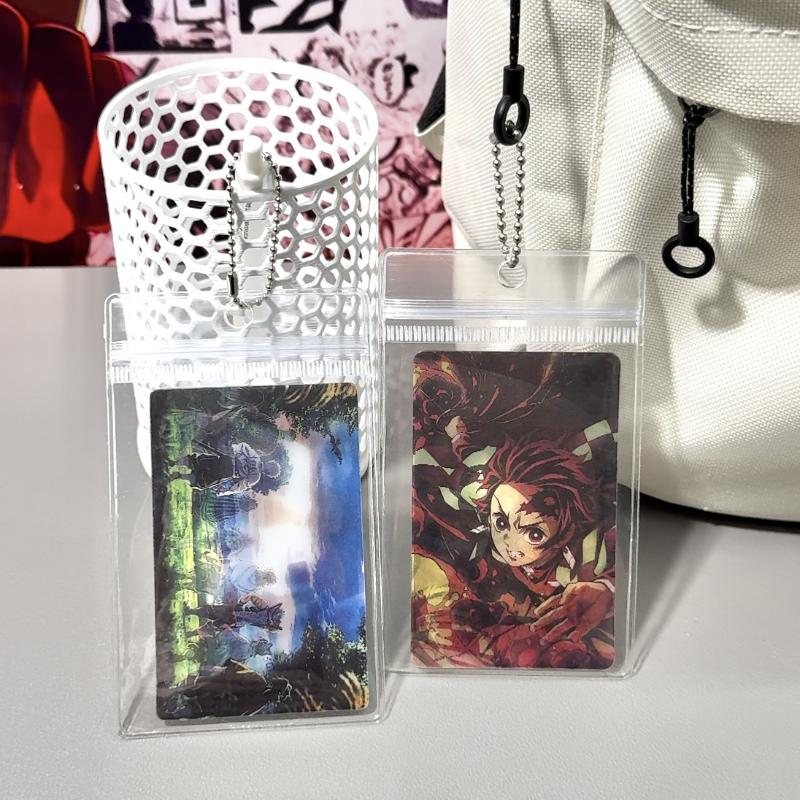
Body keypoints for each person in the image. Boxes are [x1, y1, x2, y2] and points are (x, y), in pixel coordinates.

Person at [185, 594, 285, 632]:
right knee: (212, 613)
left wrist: (239, 607)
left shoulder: (265, 618)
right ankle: (190, 612)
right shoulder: (266, 618)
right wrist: (241, 603)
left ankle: (190, 613)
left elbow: (250, 615)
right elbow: (252, 599)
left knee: (213, 618)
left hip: (235, 618)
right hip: (236, 616)